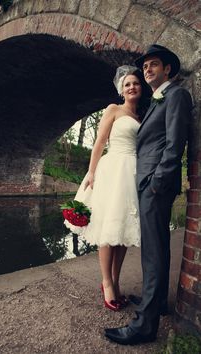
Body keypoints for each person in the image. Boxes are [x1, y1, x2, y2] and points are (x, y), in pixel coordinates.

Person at [105, 44, 193, 344]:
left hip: (155, 185)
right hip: (147, 184)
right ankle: (154, 304)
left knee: (153, 253)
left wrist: (157, 181)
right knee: (155, 249)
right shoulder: (156, 101)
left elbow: (174, 143)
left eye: (153, 65)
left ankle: (145, 325)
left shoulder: (176, 95)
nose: (147, 70)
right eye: (144, 67)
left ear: (168, 69)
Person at [64, 65, 150, 311]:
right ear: (121, 90)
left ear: (140, 88)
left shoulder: (141, 117)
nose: (132, 87)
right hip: (113, 170)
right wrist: (91, 172)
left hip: (132, 173)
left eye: (135, 83)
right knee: (109, 226)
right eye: (127, 84)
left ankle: (116, 281)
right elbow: (100, 142)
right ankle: (106, 283)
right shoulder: (114, 110)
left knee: (122, 232)